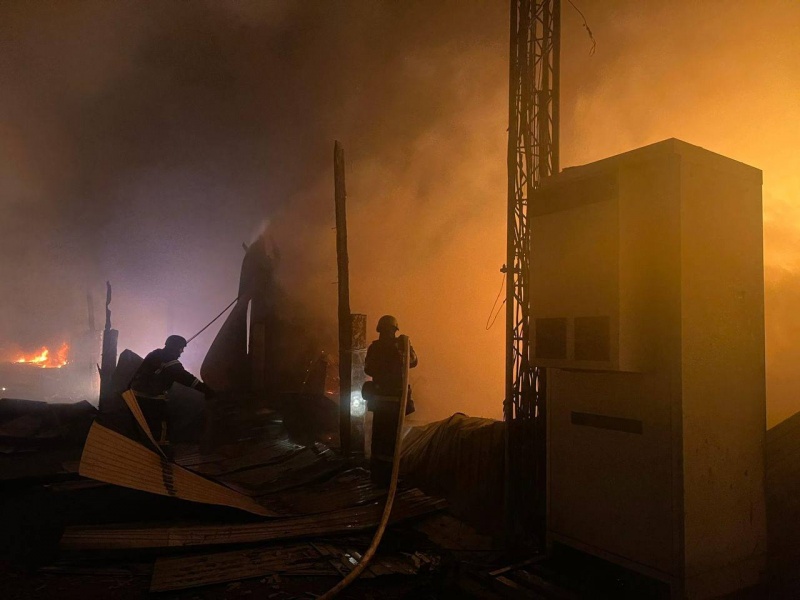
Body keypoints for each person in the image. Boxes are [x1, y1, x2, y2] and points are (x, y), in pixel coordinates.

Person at [129, 335, 215, 446]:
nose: (182, 352)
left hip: (136, 396)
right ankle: (163, 452)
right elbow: (187, 379)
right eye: (181, 348)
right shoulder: (171, 362)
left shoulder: (154, 354)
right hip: (152, 398)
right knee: (163, 425)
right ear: (175, 347)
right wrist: (207, 390)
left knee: (146, 425)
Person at [363, 315, 418, 485]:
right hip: (395, 404)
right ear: (395, 330)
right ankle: (390, 476)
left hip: (380, 403)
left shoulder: (374, 348)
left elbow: (368, 369)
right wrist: (405, 346)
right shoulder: (400, 346)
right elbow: (414, 362)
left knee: (379, 438)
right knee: (392, 440)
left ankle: (378, 475)